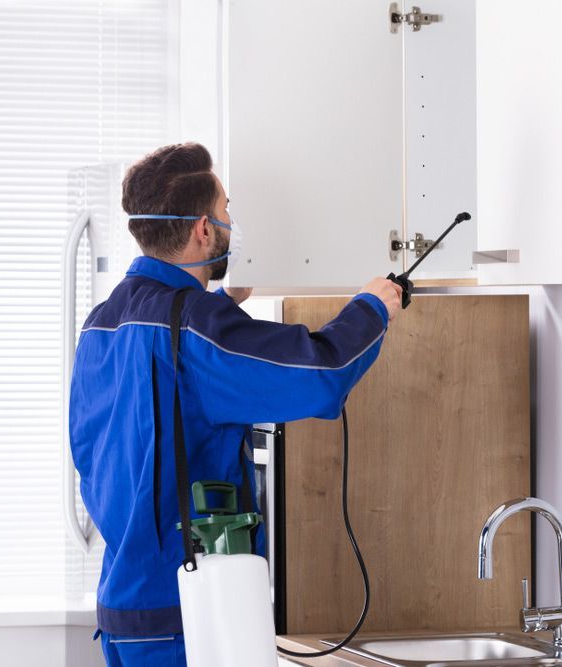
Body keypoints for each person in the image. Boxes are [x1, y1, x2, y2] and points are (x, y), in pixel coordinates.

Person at [68, 142, 402, 666]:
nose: (231, 221)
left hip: (125, 609)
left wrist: (221, 304)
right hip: (188, 615)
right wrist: (372, 308)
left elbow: (145, 415)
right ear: (204, 229)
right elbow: (321, 374)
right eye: (226, 209)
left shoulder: (103, 321)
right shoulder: (195, 326)